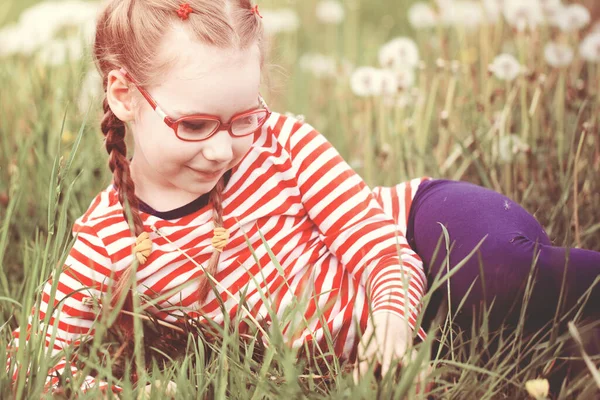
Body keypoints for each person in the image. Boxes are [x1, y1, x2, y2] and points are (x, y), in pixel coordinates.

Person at [7, 0, 600, 396]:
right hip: (419, 334)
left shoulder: (283, 144)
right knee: (509, 334)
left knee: (503, 277)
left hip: (427, 233)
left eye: (242, 117)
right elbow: (31, 355)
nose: (221, 150)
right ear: (124, 95)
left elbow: (381, 246)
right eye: (194, 125)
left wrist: (393, 317)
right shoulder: (108, 240)